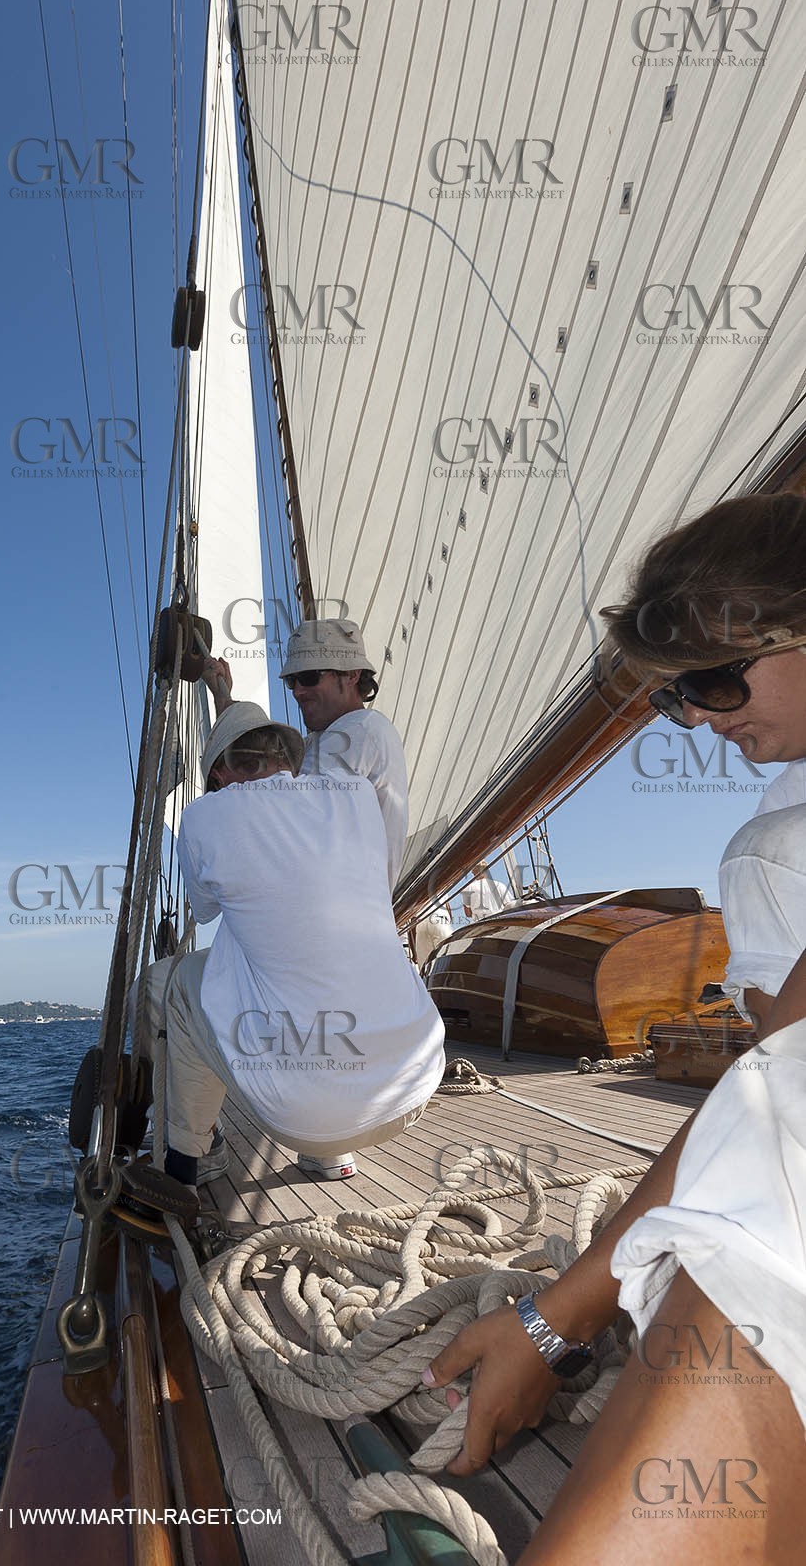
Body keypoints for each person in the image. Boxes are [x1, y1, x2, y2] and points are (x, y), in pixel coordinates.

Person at [421, 490, 806, 1562]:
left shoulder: (775, 855)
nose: (696, 718)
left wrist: (553, 1324)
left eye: (715, 680)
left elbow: (774, 1105)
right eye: (676, 697)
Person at [162, 700, 445, 1185]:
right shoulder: (356, 795)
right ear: (287, 758)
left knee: (179, 984)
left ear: (223, 775)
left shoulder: (205, 817)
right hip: (414, 1089)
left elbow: (205, 909)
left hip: (301, 1121)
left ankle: (191, 1157)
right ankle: (332, 1157)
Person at [205, 618, 408, 889]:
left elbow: (281, 811)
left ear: (351, 675)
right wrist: (224, 702)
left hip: (336, 921)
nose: (298, 691)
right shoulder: (319, 741)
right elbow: (264, 784)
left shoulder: (362, 729)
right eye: (292, 680)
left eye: (310, 677)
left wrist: (229, 709)